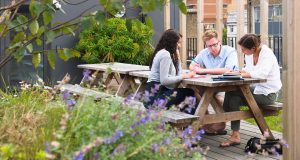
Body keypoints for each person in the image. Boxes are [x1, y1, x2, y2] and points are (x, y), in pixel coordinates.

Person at [219, 33, 282, 147]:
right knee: (233, 97)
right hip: (256, 88)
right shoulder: (249, 54)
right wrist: (237, 72)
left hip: (268, 94)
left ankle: (223, 118)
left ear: (253, 48)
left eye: (244, 49)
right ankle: (235, 135)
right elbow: (247, 70)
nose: (242, 52)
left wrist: (243, 73)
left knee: (232, 93)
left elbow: (262, 74)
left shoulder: (267, 54)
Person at [144, 29, 196, 114]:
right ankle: (190, 123)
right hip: (154, 99)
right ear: (171, 42)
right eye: (178, 43)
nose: (179, 46)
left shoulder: (165, 53)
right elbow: (164, 81)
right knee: (189, 92)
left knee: (186, 93)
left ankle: (186, 123)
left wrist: (178, 58)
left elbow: (178, 73)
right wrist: (183, 76)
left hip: (155, 96)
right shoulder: (165, 54)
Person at [189, 29, 239, 106]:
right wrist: (195, 68)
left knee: (219, 100)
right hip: (210, 85)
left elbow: (228, 70)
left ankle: (225, 117)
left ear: (219, 42)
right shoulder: (204, 53)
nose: (212, 48)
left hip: (227, 86)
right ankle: (205, 116)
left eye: (215, 45)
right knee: (192, 92)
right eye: (209, 46)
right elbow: (192, 65)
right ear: (206, 45)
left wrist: (203, 71)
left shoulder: (230, 51)